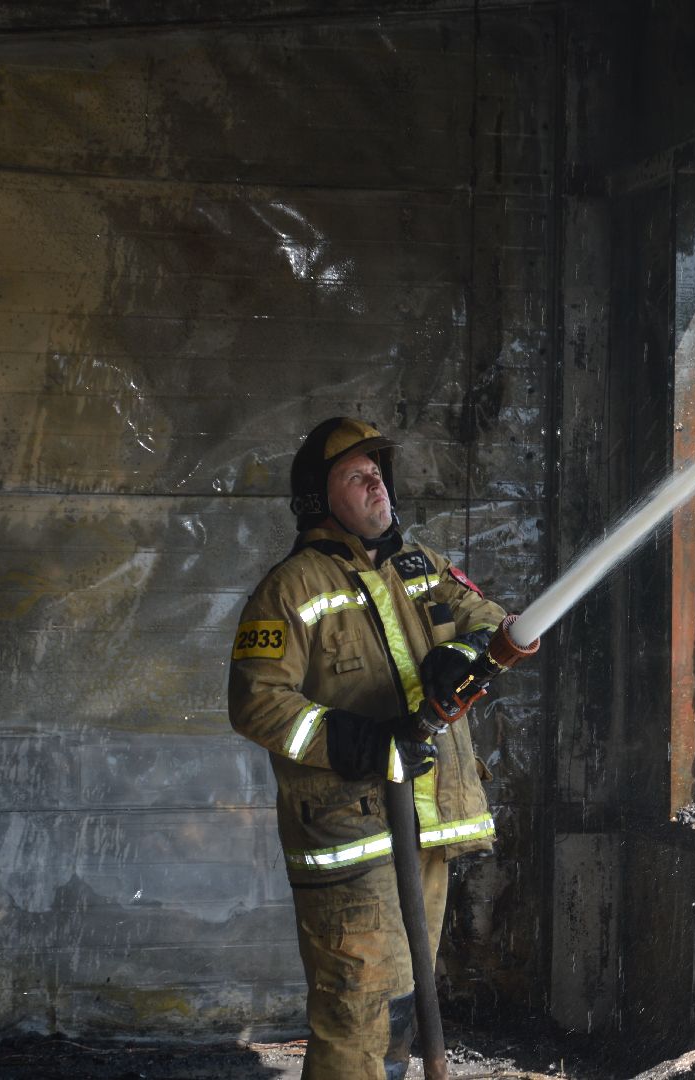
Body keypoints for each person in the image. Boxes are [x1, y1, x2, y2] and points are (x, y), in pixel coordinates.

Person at [228, 416, 508, 1080]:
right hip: (349, 836)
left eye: (378, 466)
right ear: (318, 498)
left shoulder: (421, 567)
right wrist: (363, 743)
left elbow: (491, 620)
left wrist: (463, 653)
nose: (375, 477)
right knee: (356, 1016)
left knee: (400, 1014)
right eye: (356, 472)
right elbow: (257, 702)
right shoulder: (289, 588)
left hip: (424, 826)